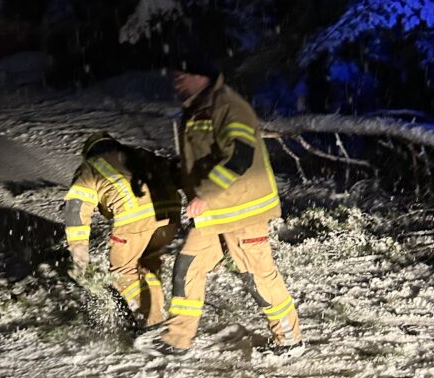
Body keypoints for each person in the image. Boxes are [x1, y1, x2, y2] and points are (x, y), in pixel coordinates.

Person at [135, 52, 302, 356]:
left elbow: (238, 157)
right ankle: (177, 340)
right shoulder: (198, 109)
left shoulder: (228, 106)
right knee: (188, 265)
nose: (177, 78)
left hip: (242, 208)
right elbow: (201, 160)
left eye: (184, 72)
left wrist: (205, 195)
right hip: (215, 210)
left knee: (256, 274)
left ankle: (289, 340)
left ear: (203, 75)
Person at [64, 132, 181, 329]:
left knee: (123, 270)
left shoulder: (91, 166)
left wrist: (78, 245)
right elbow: (175, 173)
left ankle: (149, 323)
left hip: (134, 218)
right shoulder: (139, 154)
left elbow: (77, 205)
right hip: (170, 214)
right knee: (149, 264)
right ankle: (158, 314)